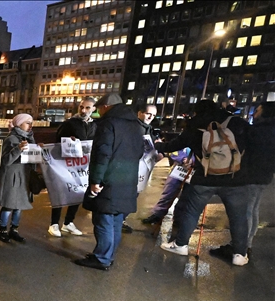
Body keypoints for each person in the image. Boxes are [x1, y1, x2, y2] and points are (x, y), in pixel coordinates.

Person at [156, 100, 251, 266]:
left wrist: (159, 146)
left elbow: (176, 144)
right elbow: (252, 146)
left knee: (191, 211)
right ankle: (239, 254)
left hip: (204, 178)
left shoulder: (195, 124)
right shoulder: (237, 122)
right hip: (236, 179)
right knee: (238, 217)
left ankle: (181, 245)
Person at [74, 93, 144, 270]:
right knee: (116, 222)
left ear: (106, 106)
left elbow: (102, 154)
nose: (99, 112)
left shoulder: (108, 124)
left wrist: (96, 180)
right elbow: (140, 152)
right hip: (127, 180)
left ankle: (101, 258)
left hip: (109, 180)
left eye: (99, 108)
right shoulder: (136, 124)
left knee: (103, 219)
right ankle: (108, 255)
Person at [209, 101, 274, 261]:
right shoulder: (270, 130)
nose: (254, 113)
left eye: (257, 111)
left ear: (265, 113)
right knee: (253, 209)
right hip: (264, 176)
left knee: (246, 211)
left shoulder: (259, 131)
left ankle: (240, 248)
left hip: (252, 175)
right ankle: (245, 246)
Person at [49, 97, 96, 238]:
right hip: (66, 164)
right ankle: (54, 223)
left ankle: (68, 222)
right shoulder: (69, 124)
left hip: (83, 166)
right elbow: (57, 143)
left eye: (87, 108)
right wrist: (68, 142)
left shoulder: (96, 125)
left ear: (94, 109)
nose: (83, 110)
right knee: (61, 192)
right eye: (81, 107)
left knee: (78, 191)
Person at [0, 114, 35, 243]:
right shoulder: (11, 139)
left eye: (31, 123)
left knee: (19, 205)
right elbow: (5, 160)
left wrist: (38, 149)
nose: (30, 125)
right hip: (12, 176)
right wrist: (18, 149)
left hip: (23, 176)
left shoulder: (29, 138)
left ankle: (14, 229)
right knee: (9, 204)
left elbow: (32, 157)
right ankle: (2, 230)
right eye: (27, 123)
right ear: (19, 124)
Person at [121, 104, 162, 232]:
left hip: (142, 170)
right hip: (127, 168)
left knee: (133, 196)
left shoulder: (150, 130)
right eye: (148, 113)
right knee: (124, 195)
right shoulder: (130, 127)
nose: (150, 117)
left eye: (153, 115)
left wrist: (160, 151)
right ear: (140, 113)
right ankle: (117, 220)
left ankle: (121, 219)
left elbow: (157, 150)